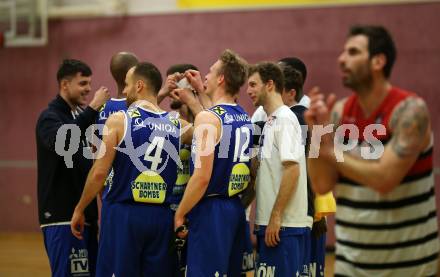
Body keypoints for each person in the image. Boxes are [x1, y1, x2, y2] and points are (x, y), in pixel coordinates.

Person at [306, 25, 439, 276]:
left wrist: (328, 151)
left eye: (353, 52)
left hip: (410, 267)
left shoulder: (410, 111)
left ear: (378, 61)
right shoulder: (339, 113)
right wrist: (317, 136)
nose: (341, 59)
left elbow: (384, 179)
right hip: (351, 264)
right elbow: (321, 185)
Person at [70, 62, 192, 276]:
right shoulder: (176, 123)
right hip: (162, 217)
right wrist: (195, 95)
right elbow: (214, 132)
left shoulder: (118, 120)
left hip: (123, 214)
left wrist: (80, 209)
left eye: (126, 85)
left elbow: (99, 172)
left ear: (139, 86)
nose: (124, 90)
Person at [174, 49, 252, 276]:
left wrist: (180, 213)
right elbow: (217, 116)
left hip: (211, 210)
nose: (205, 75)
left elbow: (202, 176)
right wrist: (199, 91)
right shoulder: (242, 115)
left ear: (221, 79)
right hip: (235, 208)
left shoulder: (207, 118)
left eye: (210, 71)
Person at [36, 59, 109, 277]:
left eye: (89, 83)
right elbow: (64, 142)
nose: (88, 89)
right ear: (65, 85)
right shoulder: (49, 117)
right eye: (83, 83)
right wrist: (94, 108)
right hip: (62, 218)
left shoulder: (78, 116)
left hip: (85, 217)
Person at [246, 62, 313, 276]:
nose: (248, 91)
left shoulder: (285, 119)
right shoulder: (269, 121)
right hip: (271, 225)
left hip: (283, 226)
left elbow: (292, 170)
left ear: (270, 85)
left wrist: (276, 216)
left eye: (253, 84)